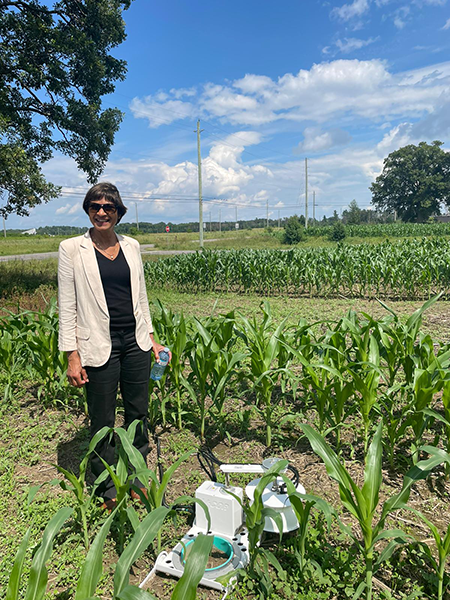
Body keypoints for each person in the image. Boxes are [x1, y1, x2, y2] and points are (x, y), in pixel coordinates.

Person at [58, 182, 169, 509]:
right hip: (98, 344)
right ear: (87, 210)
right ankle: (106, 486)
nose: (101, 212)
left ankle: (137, 475)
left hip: (134, 342)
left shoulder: (132, 245)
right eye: (95, 206)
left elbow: (141, 298)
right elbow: (67, 305)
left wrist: (151, 338)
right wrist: (72, 354)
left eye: (108, 207)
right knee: (102, 418)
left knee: (138, 412)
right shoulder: (71, 249)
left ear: (119, 212)